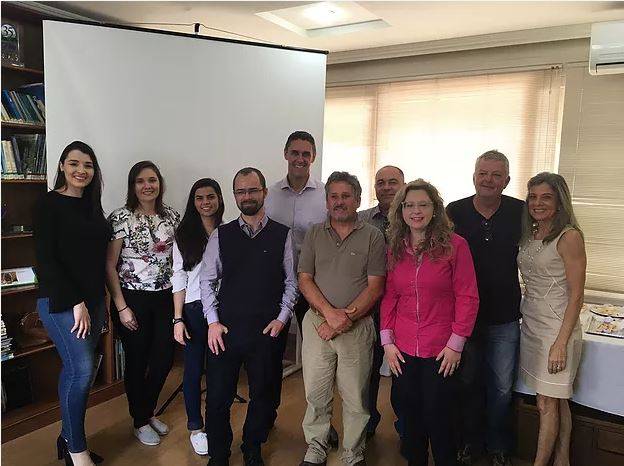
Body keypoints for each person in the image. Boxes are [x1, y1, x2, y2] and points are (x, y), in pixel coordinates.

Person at [200, 167, 297, 466]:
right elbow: (207, 281)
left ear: (264, 192)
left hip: (266, 330)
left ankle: (252, 447)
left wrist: (282, 318)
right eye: (241, 191)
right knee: (218, 398)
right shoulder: (221, 235)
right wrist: (212, 322)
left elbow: (291, 282)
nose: (247, 196)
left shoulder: (283, 234)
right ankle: (218, 453)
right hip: (225, 331)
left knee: (262, 395)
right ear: (234, 196)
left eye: (253, 190)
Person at [381, 179, 479, 466]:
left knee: (441, 418)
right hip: (402, 349)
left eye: (423, 204)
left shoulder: (456, 246)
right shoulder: (395, 248)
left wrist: (456, 345)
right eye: (409, 205)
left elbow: (468, 296)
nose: (416, 211)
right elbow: (390, 295)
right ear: (400, 211)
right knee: (410, 417)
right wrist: (387, 342)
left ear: (435, 209)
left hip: (442, 350)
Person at [298, 171, 386, 466]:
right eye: (333, 196)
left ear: (358, 200)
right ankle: (316, 447)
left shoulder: (373, 236)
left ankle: (352, 452)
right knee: (316, 393)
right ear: (326, 201)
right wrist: (329, 314)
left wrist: (343, 320)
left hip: (357, 327)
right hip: (317, 324)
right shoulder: (314, 233)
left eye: (345, 196)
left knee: (356, 397)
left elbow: (375, 286)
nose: (339, 202)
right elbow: (305, 279)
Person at [446, 150, 524, 466]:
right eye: (483, 173)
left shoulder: (521, 212)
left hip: (505, 317)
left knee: (502, 387)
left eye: (496, 175)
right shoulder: (455, 211)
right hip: (465, 318)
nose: (488, 180)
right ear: (474, 176)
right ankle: (469, 442)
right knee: (467, 383)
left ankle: (498, 445)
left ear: (507, 180)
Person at [34, 141, 109, 466]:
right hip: (62, 301)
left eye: (88, 165)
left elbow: (96, 260)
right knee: (82, 370)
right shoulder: (48, 203)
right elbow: (46, 260)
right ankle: (77, 451)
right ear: (62, 166)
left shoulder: (93, 207)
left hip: (93, 302)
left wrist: (101, 300)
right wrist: (76, 301)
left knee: (78, 371)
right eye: (75, 163)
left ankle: (67, 439)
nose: (81, 170)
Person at [265, 130, 336, 444]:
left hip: (313, 284)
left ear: (313, 157)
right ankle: (266, 415)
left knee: (320, 357)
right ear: (285, 154)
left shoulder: (325, 195)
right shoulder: (269, 194)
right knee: (270, 353)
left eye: (306, 154)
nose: (300, 159)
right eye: (295, 152)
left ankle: (323, 423)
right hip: (275, 284)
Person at [105, 161, 180, 446]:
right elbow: (109, 266)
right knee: (137, 361)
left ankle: (146, 412)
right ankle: (139, 420)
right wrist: (121, 307)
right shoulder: (120, 217)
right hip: (131, 298)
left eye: (152, 180)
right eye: (140, 181)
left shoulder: (172, 216)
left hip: (165, 296)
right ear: (132, 186)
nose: (147, 186)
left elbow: (178, 260)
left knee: (163, 359)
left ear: (160, 183)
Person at [517, 172, 585, 466]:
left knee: (546, 402)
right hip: (532, 324)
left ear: (559, 201)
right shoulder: (531, 233)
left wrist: (560, 343)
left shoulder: (569, 236)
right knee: (556, 400)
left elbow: (577, 295)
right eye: (533, 197)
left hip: (557, 329)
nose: (538, 203)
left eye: (546, 197)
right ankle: (562, 459)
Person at [172, 178, 225, 455]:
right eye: (199, 198)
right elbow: (178, 277)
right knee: (193, 370)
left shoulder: (228, 231)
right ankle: (195, 426)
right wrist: (178, 318)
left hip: (221, 309)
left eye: (211, 197)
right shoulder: (183, 235)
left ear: (219, 199)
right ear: (193, 202)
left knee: (219, 370)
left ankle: (216, 420)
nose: (206, 202)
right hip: (193, 309)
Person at [358, 165, 405, 438]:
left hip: (406, 309)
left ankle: (406, 426)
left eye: (392, 182)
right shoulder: (362, 219)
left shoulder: (414, 216)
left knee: (404, 372)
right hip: (370, 307)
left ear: (403, 185)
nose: (386, 187)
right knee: (367, 370)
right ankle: (366, 423)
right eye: (380, 182)